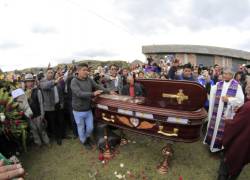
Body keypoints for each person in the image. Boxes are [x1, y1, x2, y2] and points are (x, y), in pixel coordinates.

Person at [70, 63, 115, 150]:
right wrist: (93, 93)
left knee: (90, 127)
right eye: (84, 70)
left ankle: (87, 137)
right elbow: (79, 93)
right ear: (78, 71)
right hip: (78, 110)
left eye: (87, 70)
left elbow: (97, 86)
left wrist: (109, 91)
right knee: (81, 127)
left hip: (88, 109)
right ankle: (84, 141)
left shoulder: (89, 79)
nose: (86, 72)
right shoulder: (74, 81)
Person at [203, 68, 244, 152]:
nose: (225, 75)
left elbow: (241, 100)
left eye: (227, 74)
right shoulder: (219, 84)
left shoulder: (237, 86)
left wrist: (229, 100)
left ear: (232, 75)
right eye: (224, 73)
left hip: (227, 114)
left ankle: (220, 147)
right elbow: (211, 90)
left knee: (223, 130)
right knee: (213, 127)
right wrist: (207, 80)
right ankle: (211, 144)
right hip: (216, 112)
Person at [217, 83, 250, 180]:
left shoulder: (248, 107)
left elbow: (235, 126)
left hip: (241, 143)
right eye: (247, 85)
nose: (247, 88)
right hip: (247, 144)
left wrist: (227, 121)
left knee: (227, 164)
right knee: (239, 164)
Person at [40, 68, 65, 145]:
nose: (51, 74)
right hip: (50, 107)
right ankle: (57, 138)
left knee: (61, 121)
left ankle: (62, 135)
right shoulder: (43, 82)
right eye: (49, 72)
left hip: (58, 105)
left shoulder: (56, 81)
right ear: (46, 74)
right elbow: (45, 86)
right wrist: (55, 81)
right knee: (53, 123)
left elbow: (60, 93)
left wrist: (61, 102)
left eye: (52, 72)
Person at [24, 73, 50, 147]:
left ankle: (47, 142)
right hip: (30, 116)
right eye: (27, 82)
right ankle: (38, 143)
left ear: (33, 82)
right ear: (25, 83)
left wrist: (42, 114)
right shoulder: (24, 93)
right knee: (34, 130)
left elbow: (41, 103)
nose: (29, 83)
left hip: (38, 114)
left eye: (30, 81)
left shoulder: (37, 91)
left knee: (42, 129)